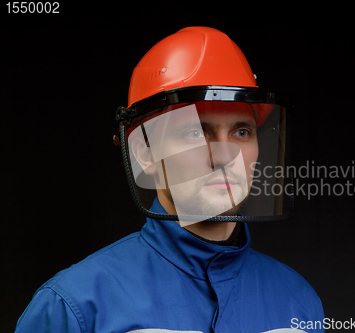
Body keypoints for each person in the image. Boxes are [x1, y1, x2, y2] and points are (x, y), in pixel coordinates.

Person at [15, 26, 324, 333]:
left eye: (241, 132)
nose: (223, 157)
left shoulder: (298, 301)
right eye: (194, 132)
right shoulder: (74, 307)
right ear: (145, 153)